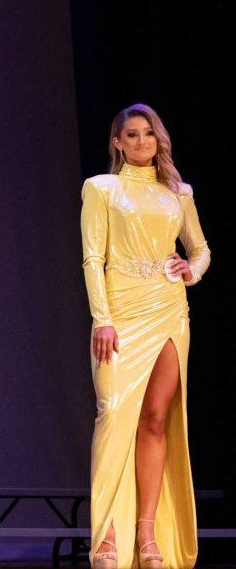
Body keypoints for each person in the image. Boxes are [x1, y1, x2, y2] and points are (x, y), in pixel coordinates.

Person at [82, 103, 209, 569]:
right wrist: (103, 319)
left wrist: (189, 270)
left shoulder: (177, 193)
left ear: (160, 140)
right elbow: (93, 258)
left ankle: (148, 535)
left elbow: (201, 249)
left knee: (156, 419)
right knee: (114, 414)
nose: (141, 142)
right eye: (132, 135)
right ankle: (106, 536)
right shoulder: (101, 189)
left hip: (170, 310)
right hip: (120, 312)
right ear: (117, 142)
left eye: (149, 134)